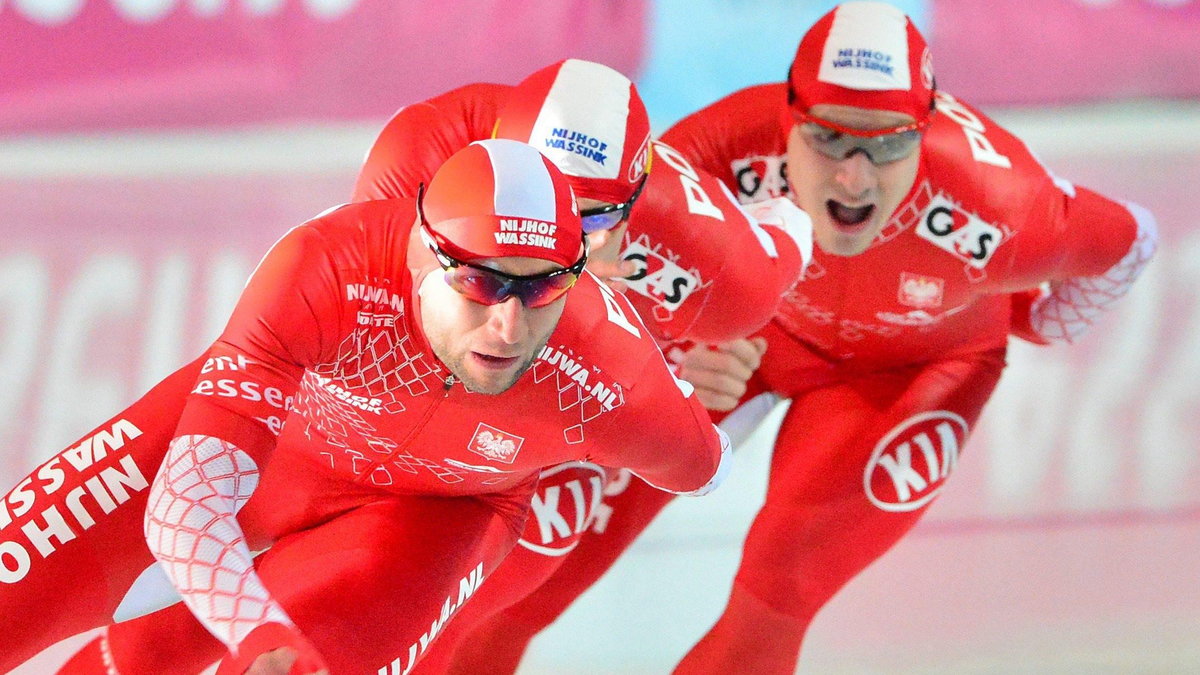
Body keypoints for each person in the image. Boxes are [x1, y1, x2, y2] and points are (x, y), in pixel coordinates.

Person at [387, 3, 1160, 673]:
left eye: (888, 144)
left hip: (912, 370)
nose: (854, 178)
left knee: (779, 586)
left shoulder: (1001, 204)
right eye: (827, 139)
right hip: (748, 344)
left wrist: (1029, 316)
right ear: (787, 116)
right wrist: (669, 347)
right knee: (535, 565)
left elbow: (1132, 239)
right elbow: (612, 263)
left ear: (928, 130)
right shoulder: (717, 151)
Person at [53, 57, 811, 675]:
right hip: (361, 424)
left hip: (494, 469)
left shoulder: (716, 269)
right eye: (494, 263)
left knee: (518, 560)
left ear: (639, 203)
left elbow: (791, 235)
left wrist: (667, 363)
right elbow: (389, 341)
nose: (558, 237)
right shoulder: (410, 163)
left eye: (593, 219)